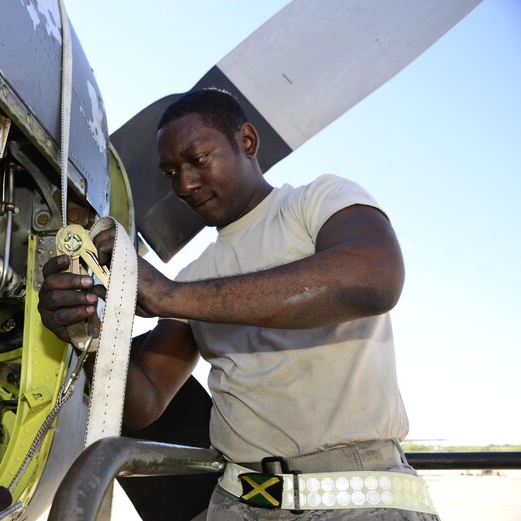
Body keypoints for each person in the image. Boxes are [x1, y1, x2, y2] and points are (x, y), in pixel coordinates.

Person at [38, 88, 438, 520]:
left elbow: (375, 277)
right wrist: (90, 333)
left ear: (247, 141)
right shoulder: (193, 274)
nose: (185, 185)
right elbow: (144, 402)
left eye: (197, 159)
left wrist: (169, 294)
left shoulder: (317, 202)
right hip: (238, 503)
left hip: (354, 499)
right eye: (171, 172)